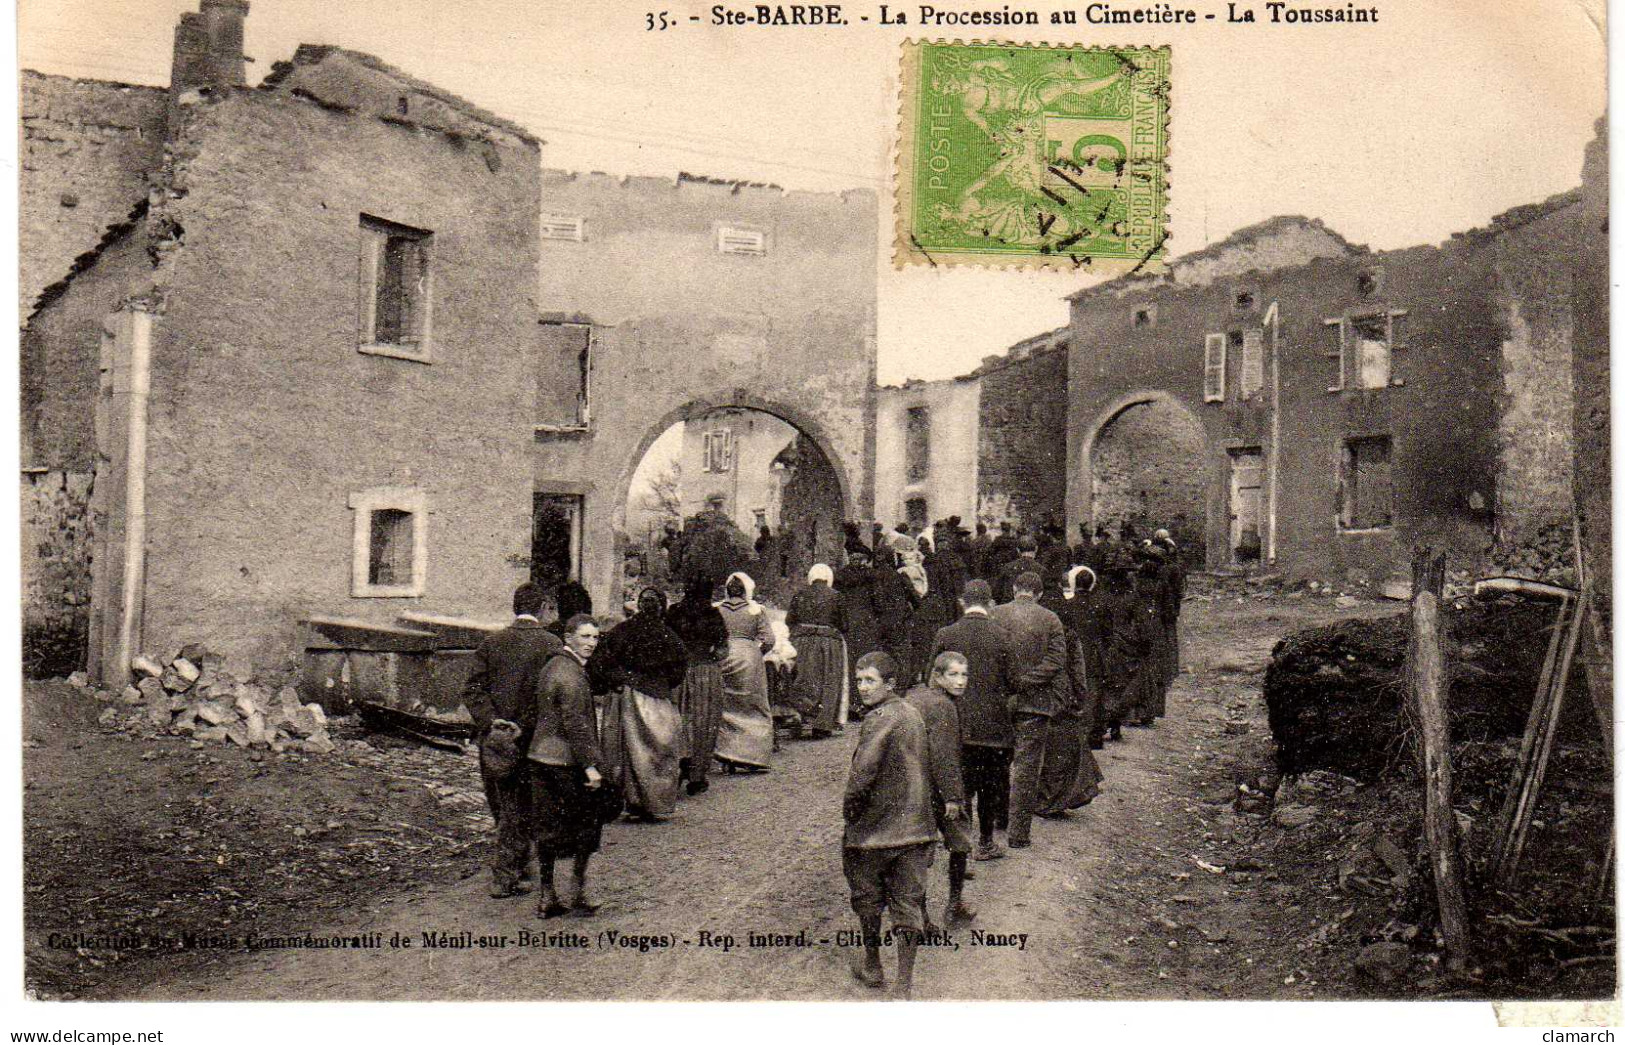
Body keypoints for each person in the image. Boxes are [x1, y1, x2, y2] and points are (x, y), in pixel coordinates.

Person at [843, 651, 940, 999]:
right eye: (858, 681)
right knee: (907, 903)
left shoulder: (879, 718)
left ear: (891, 683)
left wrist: (850, 812)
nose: (863, 688)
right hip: (916, 829)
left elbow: (862, 775)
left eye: (870, 681)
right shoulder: (914, 715)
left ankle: (872, 964)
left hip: (876, 832)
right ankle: (904, 985)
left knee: (868, 897)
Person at [461, 582, 564, 898]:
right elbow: (551, 696)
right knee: (522, 808)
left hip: (494, 742)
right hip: (532, 741)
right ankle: (505, 877)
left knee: (504, 805)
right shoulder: (551, 644)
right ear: (544, 607)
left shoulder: (490, 643)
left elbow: (472, 691)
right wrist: (523, 725)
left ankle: (517, 869)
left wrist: (494, 723)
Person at [930, 579, 1018, 862]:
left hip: (956, 722)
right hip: (994, 726)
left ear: (961, 602)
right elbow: (1015, 682)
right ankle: (986, 842)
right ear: (991, 604)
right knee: (990, 786)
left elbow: (931, 677)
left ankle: (960, 845)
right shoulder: (1004, 636)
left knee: (961, 785)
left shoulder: (946, 634)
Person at [529, 614, 607, 918]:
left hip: (539, 757)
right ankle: (580, 891)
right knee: (587, 823)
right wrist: (590, 765)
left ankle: (547, 895)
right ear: (568, 637)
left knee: (547, 828)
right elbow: (575, 723)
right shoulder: (572, 675)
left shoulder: (551, 666)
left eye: (595, 638)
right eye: (585, 637)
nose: (591, 644)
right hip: (566, 761)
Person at [589, 588, 690, 821]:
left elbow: (602, 659)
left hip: (625, 694)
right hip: (654, 697)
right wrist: (662, 684)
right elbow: (679, 669)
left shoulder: (622, 631)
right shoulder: (668, 635)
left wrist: (615, 681)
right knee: (655, 749)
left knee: (626, 751)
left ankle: (633, 800)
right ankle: (652, 802)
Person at [989, 571, 1068, 849]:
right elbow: (1056, 661)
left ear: (1013, 590)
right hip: (1035, 702)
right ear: (1040, 594)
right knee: (1027, 767)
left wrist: (1009, 683)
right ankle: (1018, 834)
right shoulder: (1050, 619)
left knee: (997, 760)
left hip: (1001, 701)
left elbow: (990, 656)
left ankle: (999, 817)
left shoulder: (995, 614)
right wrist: (1028, 681)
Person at [905, 651, 977, 927]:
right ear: (938, 676)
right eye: (953, 675)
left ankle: (919, 916)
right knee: (960, 840)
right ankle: (954, 904)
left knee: (919, 849)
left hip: (914, 787)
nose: (960, 682)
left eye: (964, 674)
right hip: (937, 790)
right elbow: (944, 755)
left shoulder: (916, 697)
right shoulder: (944, 706)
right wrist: (953, 797)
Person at [1037, 569, 1106, 816]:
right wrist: (1079, 696)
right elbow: (1077, 669)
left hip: (1043, 690)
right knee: (1065, 746)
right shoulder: (1068, 627)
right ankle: (1059, 797)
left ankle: (1043, 796)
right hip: (1063, 692)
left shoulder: (1043, 616)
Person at [665, 574, 728, 795]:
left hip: (678, 672)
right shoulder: (712, 614)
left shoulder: (673, 612)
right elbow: (722, 650)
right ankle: (697, 775)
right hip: (705, 672)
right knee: (705, 722)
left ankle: (676, 765)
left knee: (676, 720)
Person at [715, 572, 776, 772]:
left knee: (727, 706)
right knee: (753, 705)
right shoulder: (755, 610)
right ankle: (753, 756)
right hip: (749, 658)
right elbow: (769, 640)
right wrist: (757, 653)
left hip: (724, 656)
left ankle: (727, 755)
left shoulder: (717, 609)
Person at [785, 563, 849, 738]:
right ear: (828, 578)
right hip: (828, 643)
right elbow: (844, 625)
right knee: (828, 681)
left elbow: (789, 620)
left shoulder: (799, 595)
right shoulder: (837, 596)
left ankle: (798, 715)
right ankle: (821, 725)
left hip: (801, 641)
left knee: (801, 679)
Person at [992, 533, 1044, 605]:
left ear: (1018, 550)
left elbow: (997, 594)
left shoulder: (1007, 568)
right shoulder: (1042, 570)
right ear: (1036, 549)